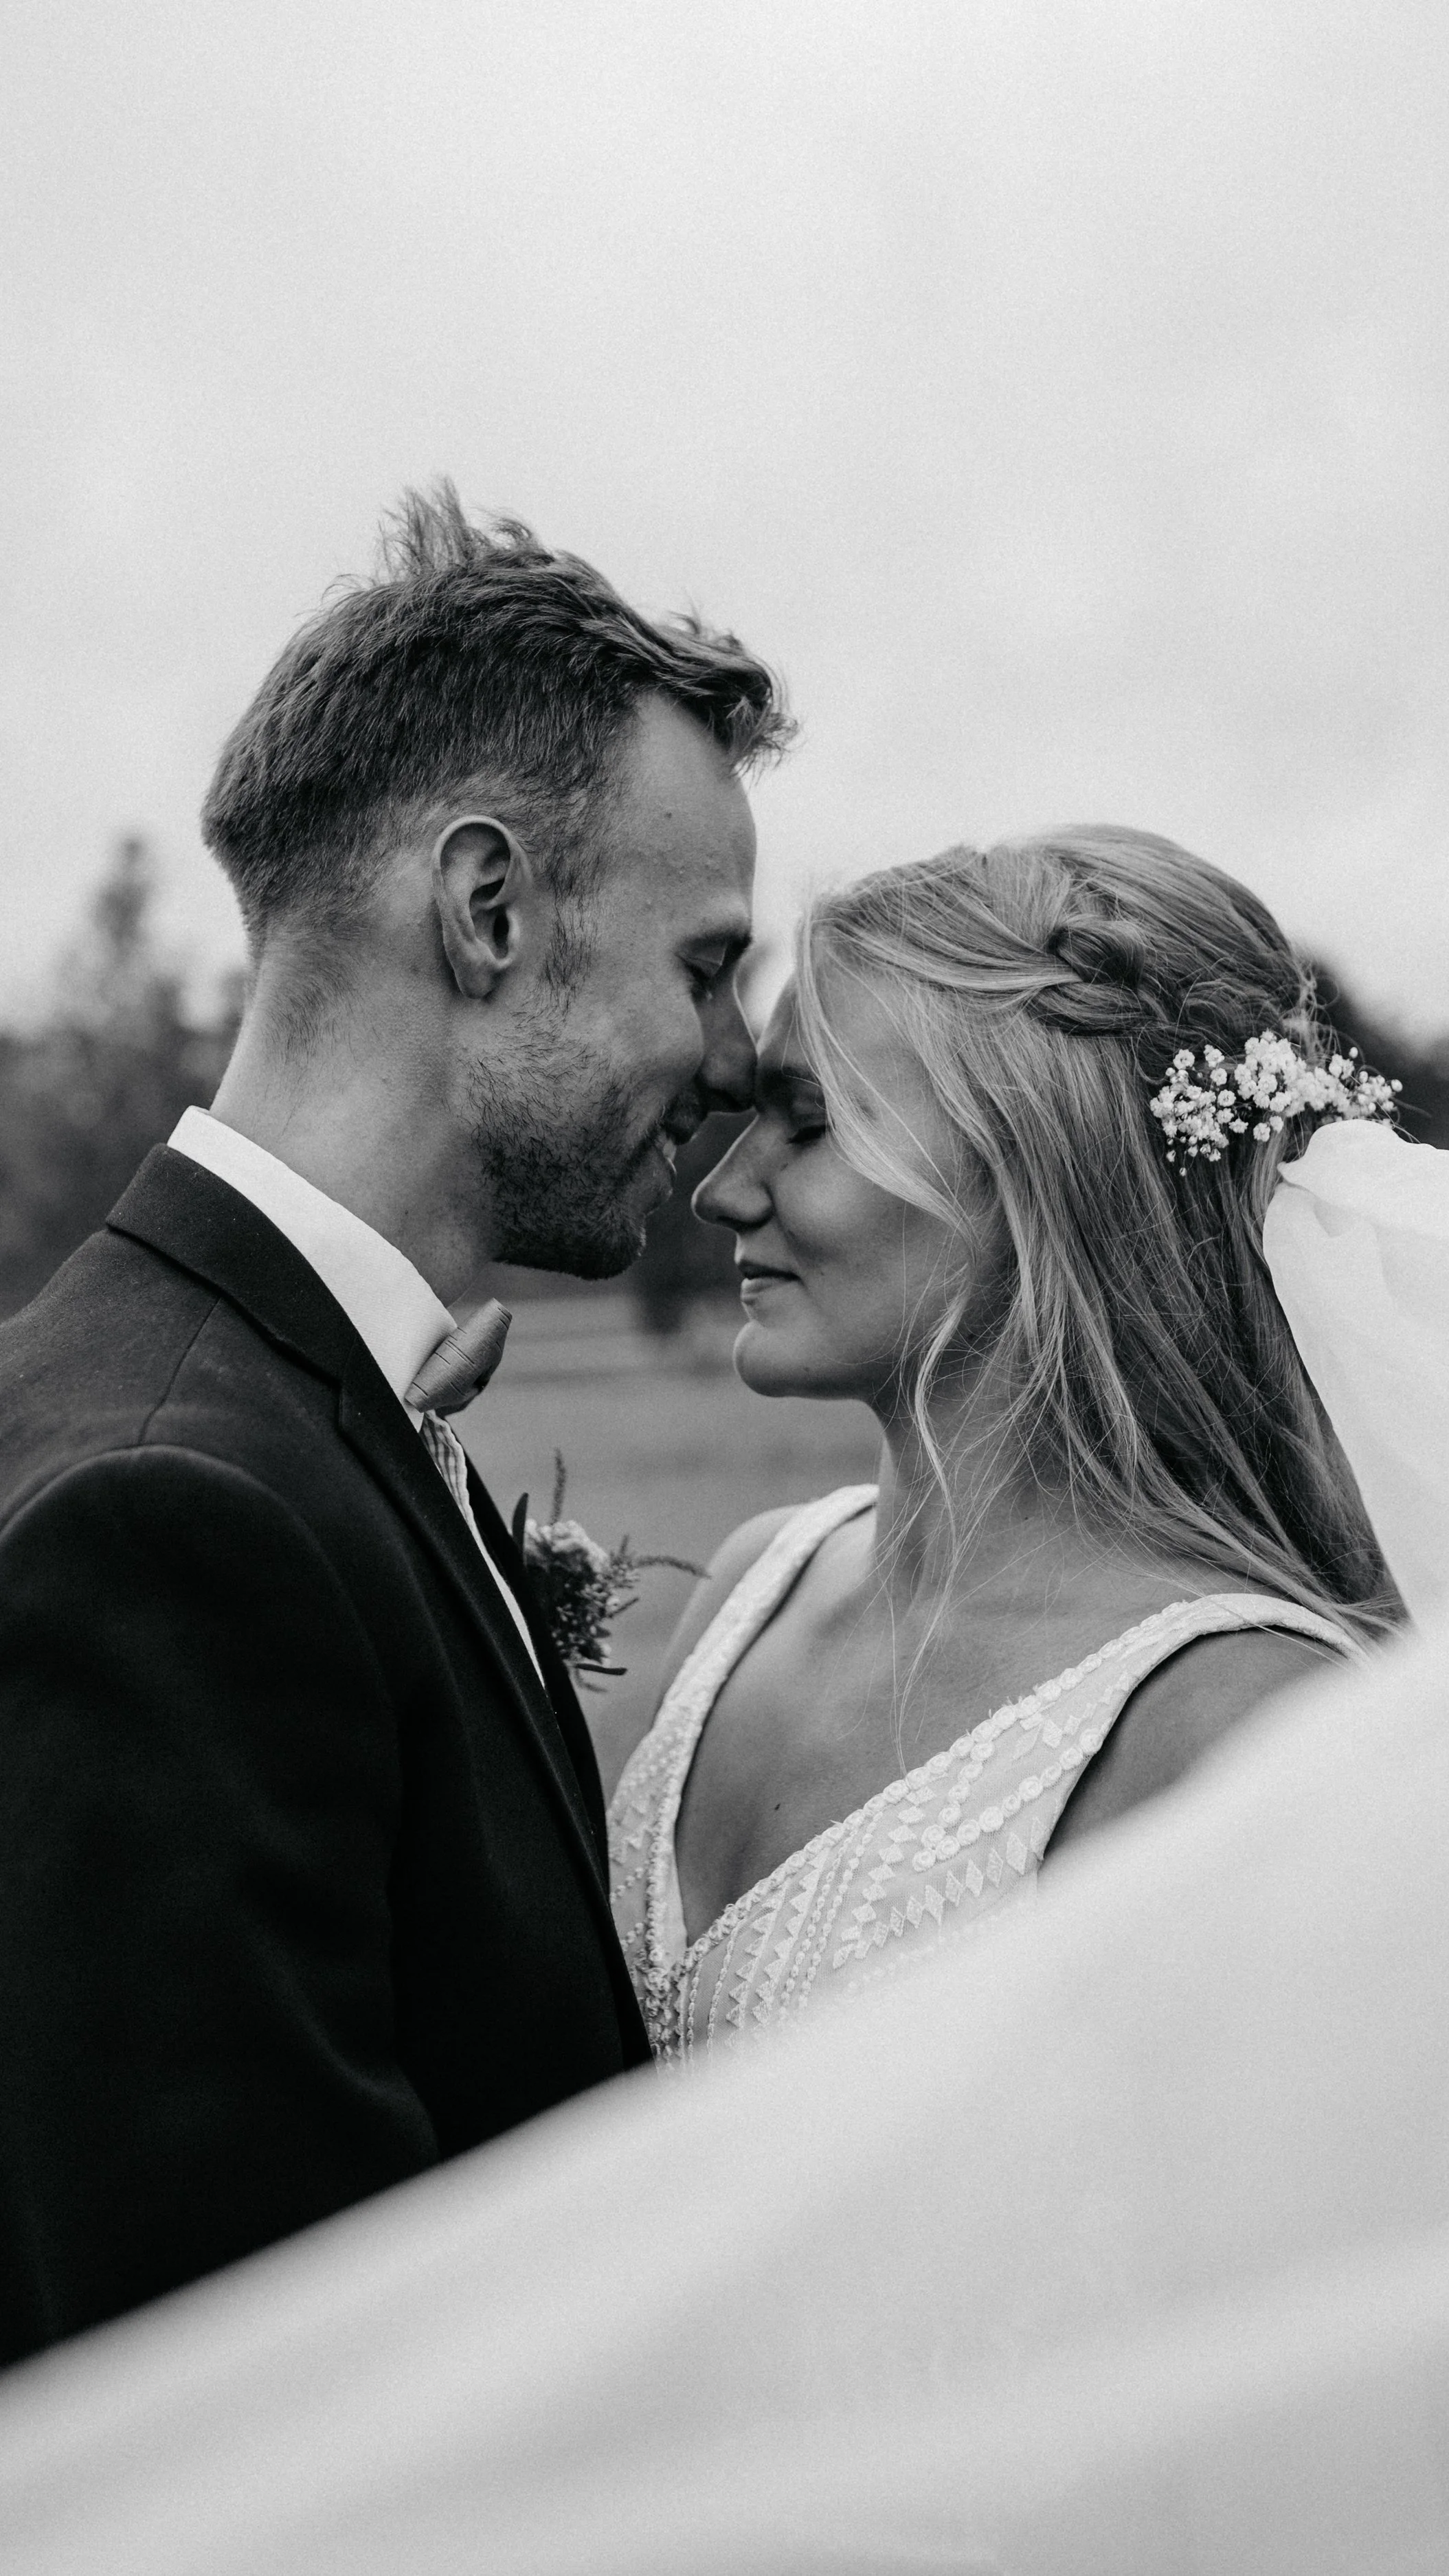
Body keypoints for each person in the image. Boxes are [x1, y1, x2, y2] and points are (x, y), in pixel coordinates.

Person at [0, 485, 790, 2369]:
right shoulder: (167, 1524)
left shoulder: (234, 1402)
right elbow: (254, 2421)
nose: (740, 1058)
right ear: (488, 907)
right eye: (702, 962)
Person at [609, 826, 1402, 2056]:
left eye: (806, 1124)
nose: (723, 1189)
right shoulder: (748, 1588)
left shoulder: (1232, 1722)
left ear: (1037, 1171)